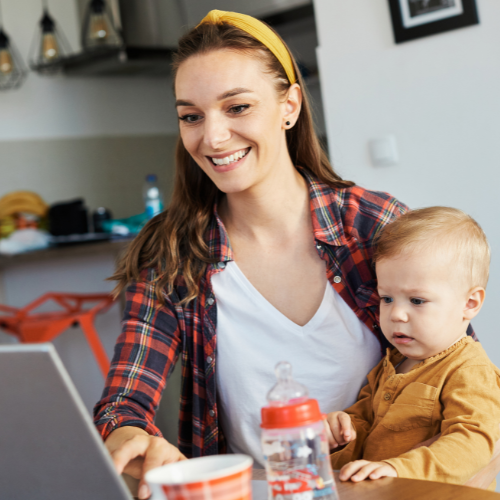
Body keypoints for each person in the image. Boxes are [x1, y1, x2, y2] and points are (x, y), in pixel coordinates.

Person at [92, 10, 479, 500]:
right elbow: (125, 399)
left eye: (237, 108)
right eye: (191, 116)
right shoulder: (172, 251)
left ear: (289, 106)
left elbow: (460, 371)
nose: (211, 137)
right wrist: (130, 435)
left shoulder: (372, 225)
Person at [328, 207, 500, 490]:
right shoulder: (392, 362)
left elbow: (472, 441)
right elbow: (365, 421)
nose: (396, 314)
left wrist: (396, 469)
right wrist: (343, 427)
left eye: (417, 301)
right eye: (387, 298)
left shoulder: (470, 369)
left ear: (470, 303)